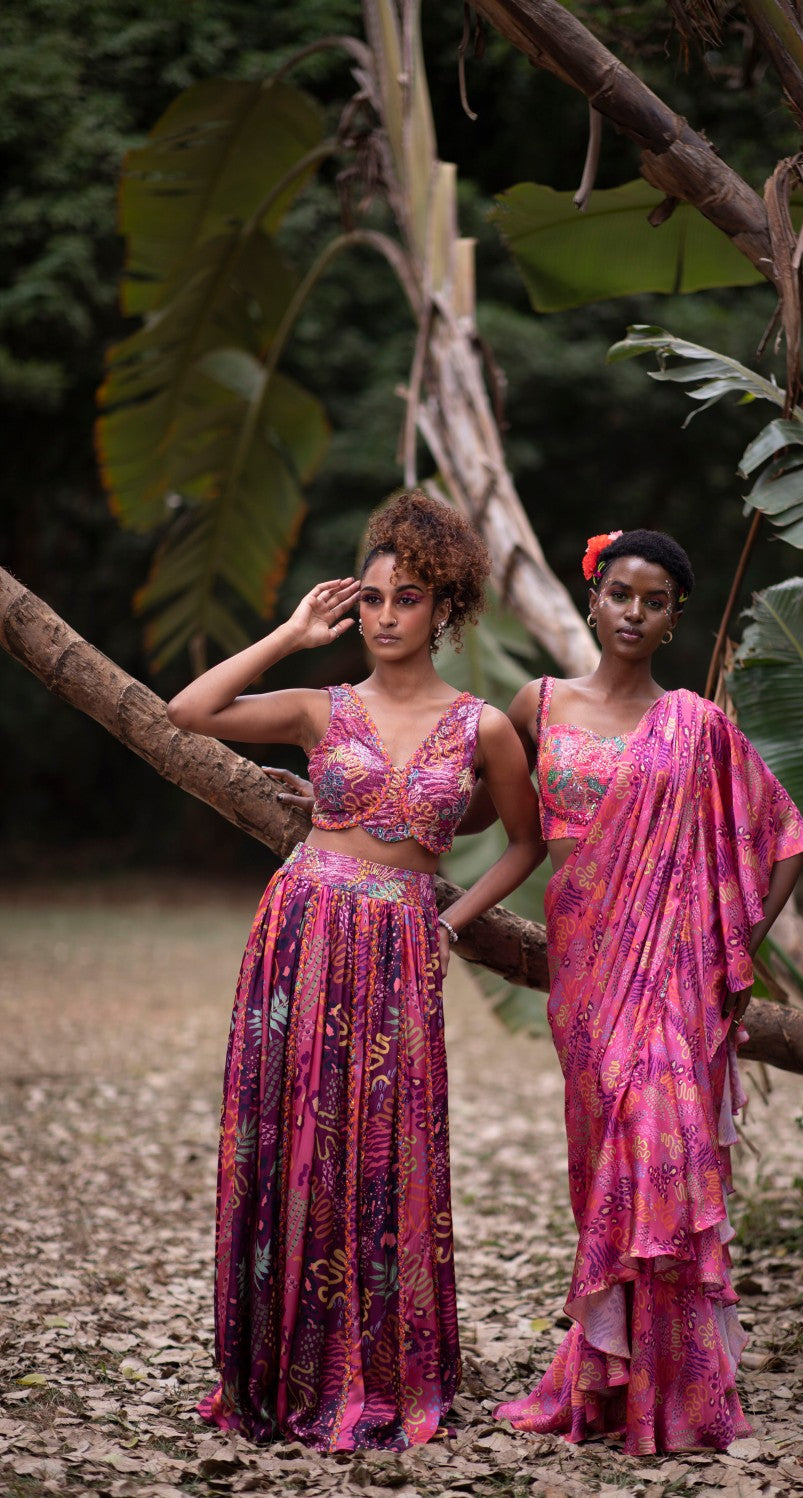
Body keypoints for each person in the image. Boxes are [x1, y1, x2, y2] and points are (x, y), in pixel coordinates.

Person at [166, 490, 544, 1452]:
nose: (382, 616)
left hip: (399, 953)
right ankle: (277, 1365)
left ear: (443, 610)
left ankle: (374, 1371)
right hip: (300, 933)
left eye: (405, 598)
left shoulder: (482, 728)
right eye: (369, 598)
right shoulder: (318, 708)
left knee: (383, 1153)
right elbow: (188, 711)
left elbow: (524, 840)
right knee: (291, 1141)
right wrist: (292, 634)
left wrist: (451, 923)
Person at [490, 528, 803, 1456]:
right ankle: (608, 1379)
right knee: (611, 1169)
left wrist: (729, 952)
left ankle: (675, 1390)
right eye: (621, 594)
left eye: (656, 601)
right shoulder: (538, 704)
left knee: (663, 1154)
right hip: (587, 978)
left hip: (676, 984)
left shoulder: (698, 725)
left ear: (674, 619)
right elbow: (483, 799)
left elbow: (783, 833)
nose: (634, 612)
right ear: (592, 597)